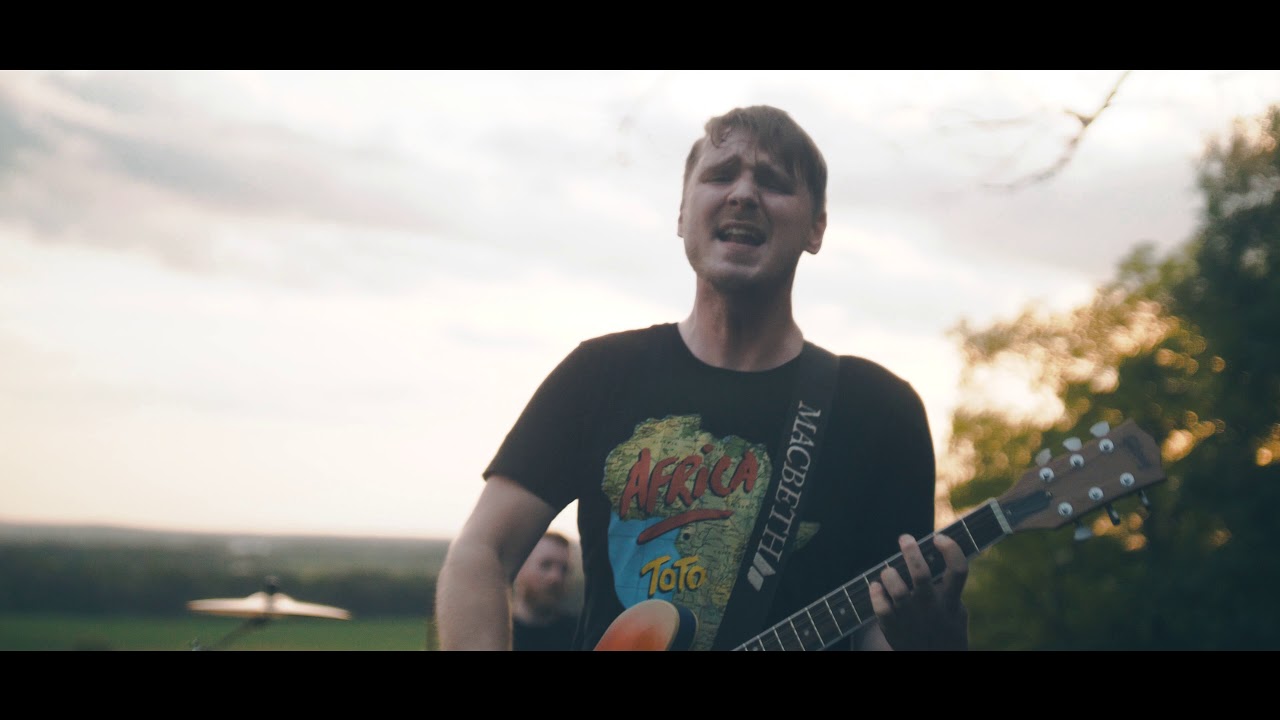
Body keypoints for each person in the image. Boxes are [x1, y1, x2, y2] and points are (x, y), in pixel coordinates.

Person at [436, 104, 970, 651]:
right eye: (720, 175)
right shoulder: (600, 375)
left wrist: (936, 642)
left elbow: (884, 628)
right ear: (682, 215)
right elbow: (481, 551)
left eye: (773, 182)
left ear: (816, 228)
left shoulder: (880, 410)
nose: (743, 194)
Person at [511, 530, 579, 651]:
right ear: (519, 567)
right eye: (546, 565)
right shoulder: (496, 633)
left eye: (564, 569)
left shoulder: (580, 635)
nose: (556, 577)